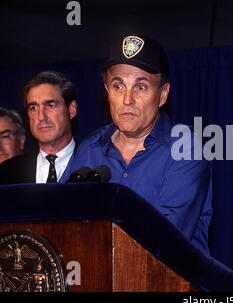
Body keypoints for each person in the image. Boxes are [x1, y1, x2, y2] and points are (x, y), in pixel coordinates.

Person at [62, 34, 212, 253]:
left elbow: (166, 237)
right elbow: (64, 221)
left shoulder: (187, 149)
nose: (127, 99)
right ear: (107, 92)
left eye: (141, 87)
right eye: (118, 86)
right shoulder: (89, 149)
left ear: (162, 94)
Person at [0, 71, 77, 184]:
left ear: (71, 110)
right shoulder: (6, 172)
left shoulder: (95, 162)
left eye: (51, 105)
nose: (41, 117)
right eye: (34, 108)